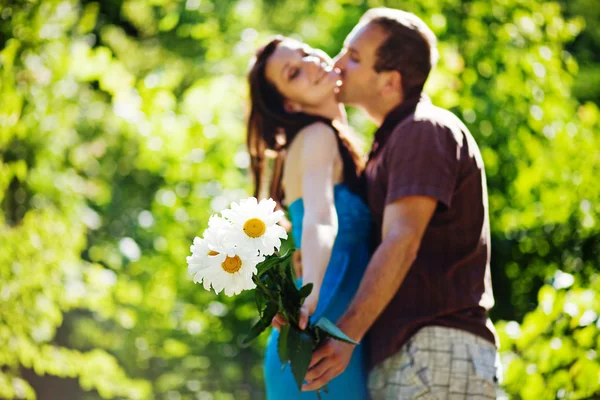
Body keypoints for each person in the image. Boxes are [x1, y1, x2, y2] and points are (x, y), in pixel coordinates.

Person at [300, 8, 501, 399]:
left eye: (355, 57)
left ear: (390, 82)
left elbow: (401, 240)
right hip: (413, 357)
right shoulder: (392, 142)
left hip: (432, 352)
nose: (337, 64)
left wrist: (346, 333)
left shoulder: (421, 131)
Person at [246, 36, 372, 399]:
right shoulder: (317, 136)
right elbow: (319, 216)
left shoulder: (333, 138)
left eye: (304, 52)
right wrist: (311, 296)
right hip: (317, 341)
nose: (311, 62)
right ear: (290, 102)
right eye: (294, 72)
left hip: (337, 340)